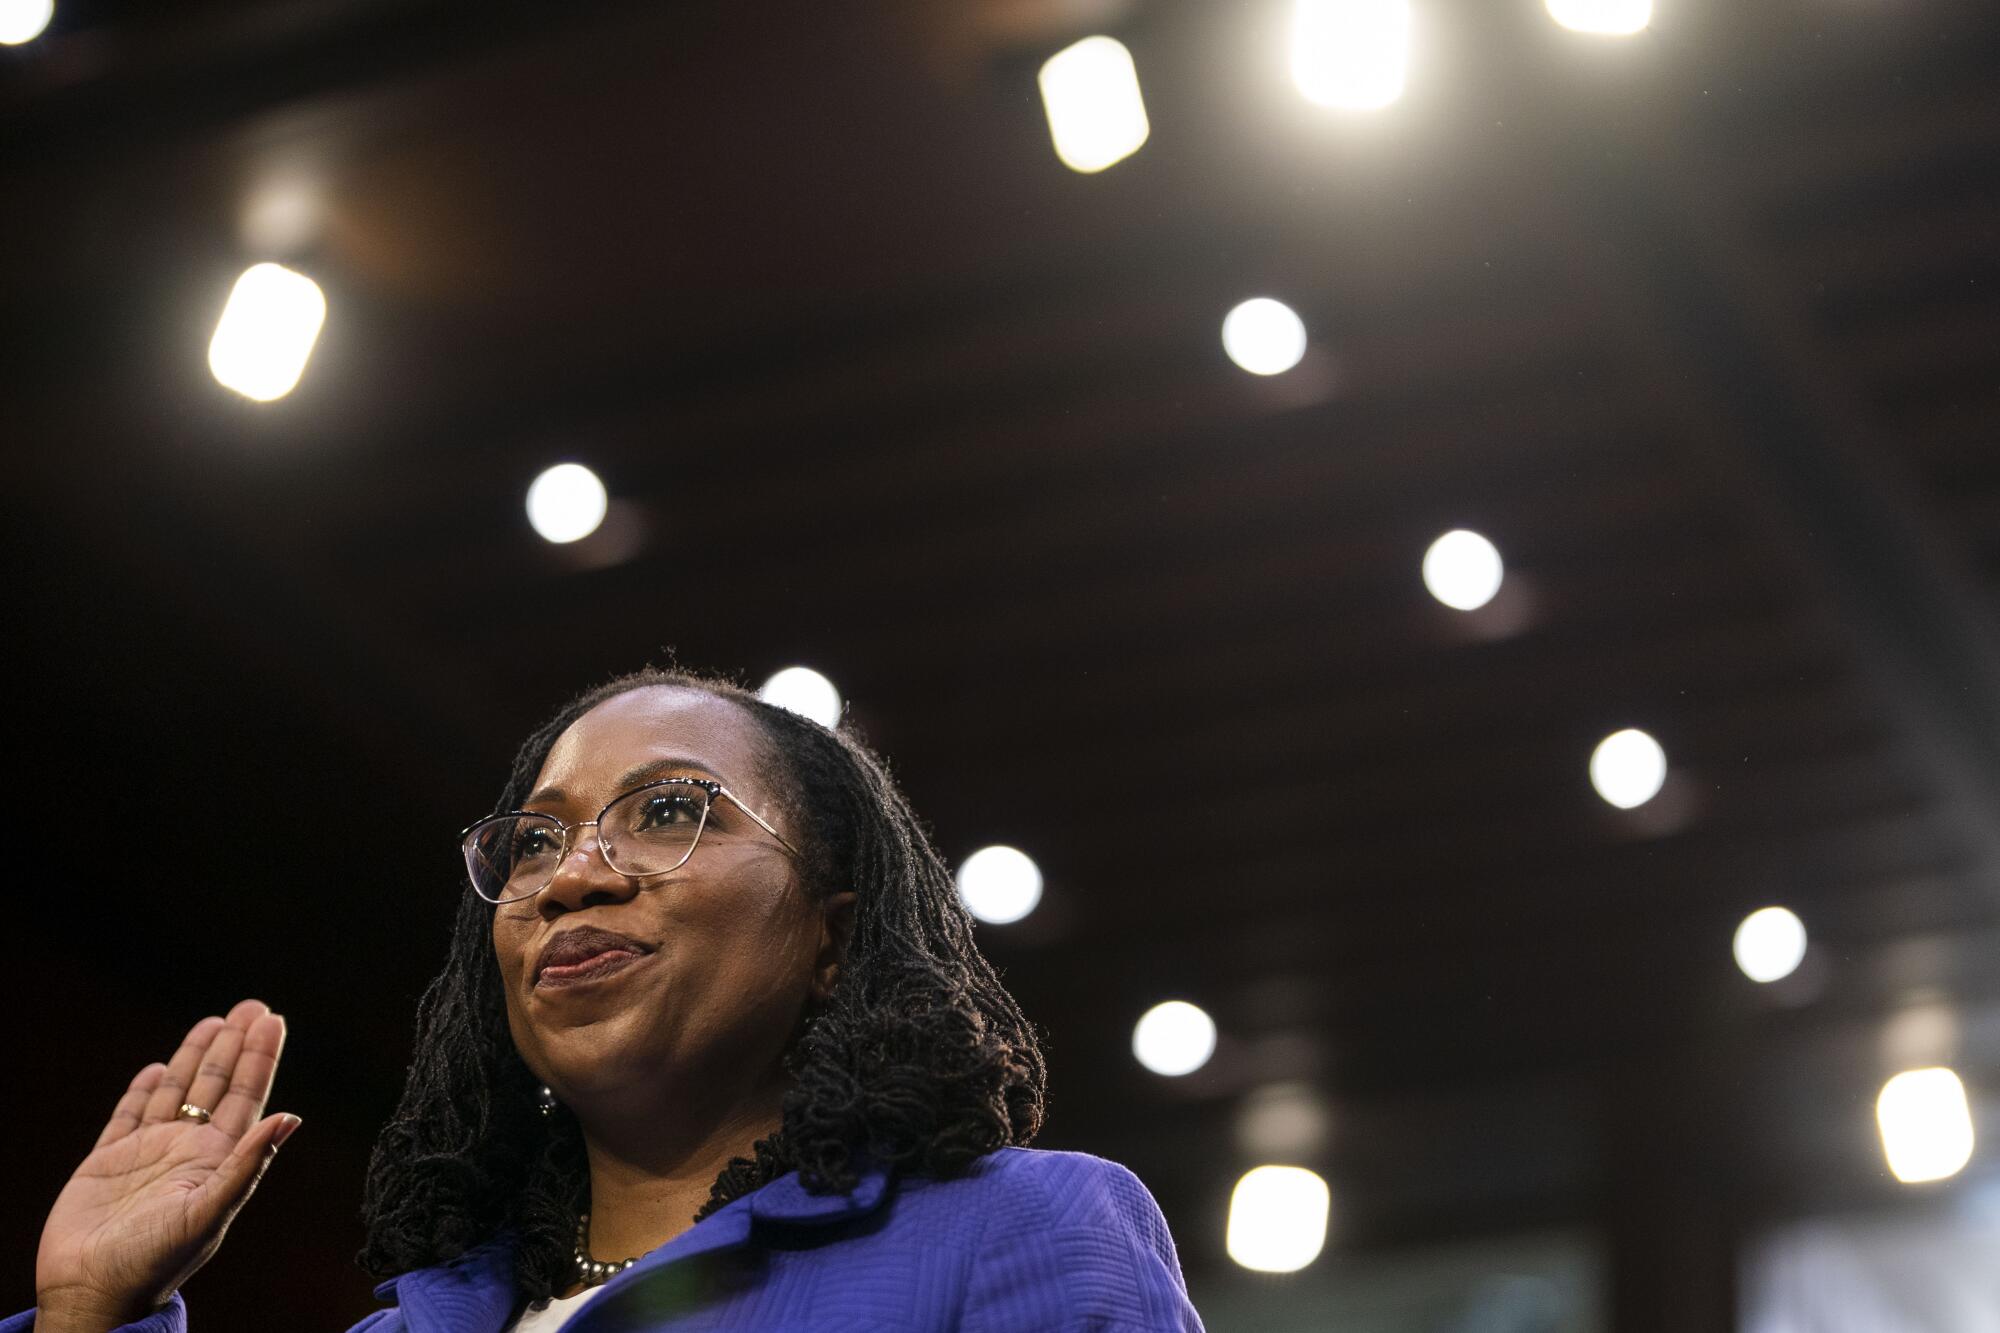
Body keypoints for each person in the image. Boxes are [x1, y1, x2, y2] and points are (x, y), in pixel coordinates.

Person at [18, 668, 1205, 1332]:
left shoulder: (1022, 1231)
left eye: (670, 810)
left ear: (831, 940)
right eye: (533, 841)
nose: (574, 873)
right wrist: (88, 1320)